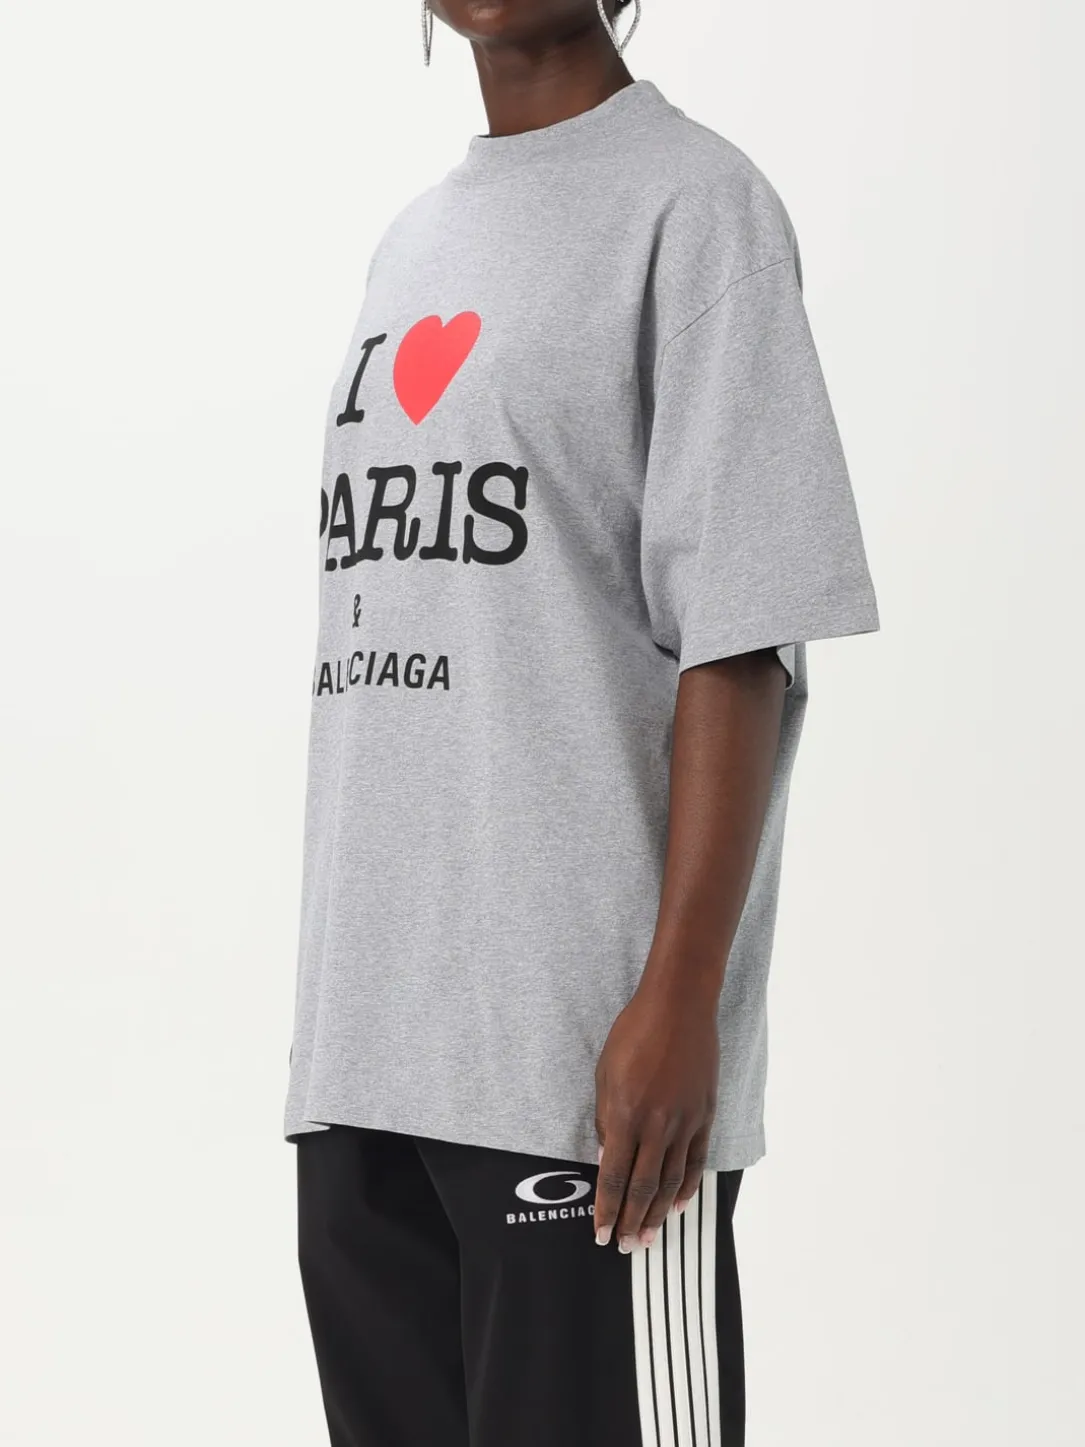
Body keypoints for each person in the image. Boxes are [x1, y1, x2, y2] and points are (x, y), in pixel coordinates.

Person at [285, 2, 879, 1443]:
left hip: (580, 1071)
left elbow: (741, 636)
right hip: (368, 1057)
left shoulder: (698, 212)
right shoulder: (412, 245)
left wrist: (681, 1002)